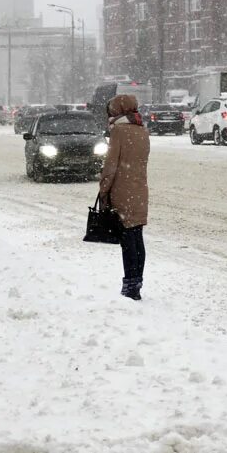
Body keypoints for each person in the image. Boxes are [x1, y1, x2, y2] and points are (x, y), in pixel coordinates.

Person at [99, 95, 150, 301]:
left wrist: (104, 190)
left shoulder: (118, 132)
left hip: (122, 191)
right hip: (139, 190)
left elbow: (110, 166)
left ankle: (130, 286)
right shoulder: (142, 130)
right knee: (137, 237)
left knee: (127, 240)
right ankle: (136, 281)